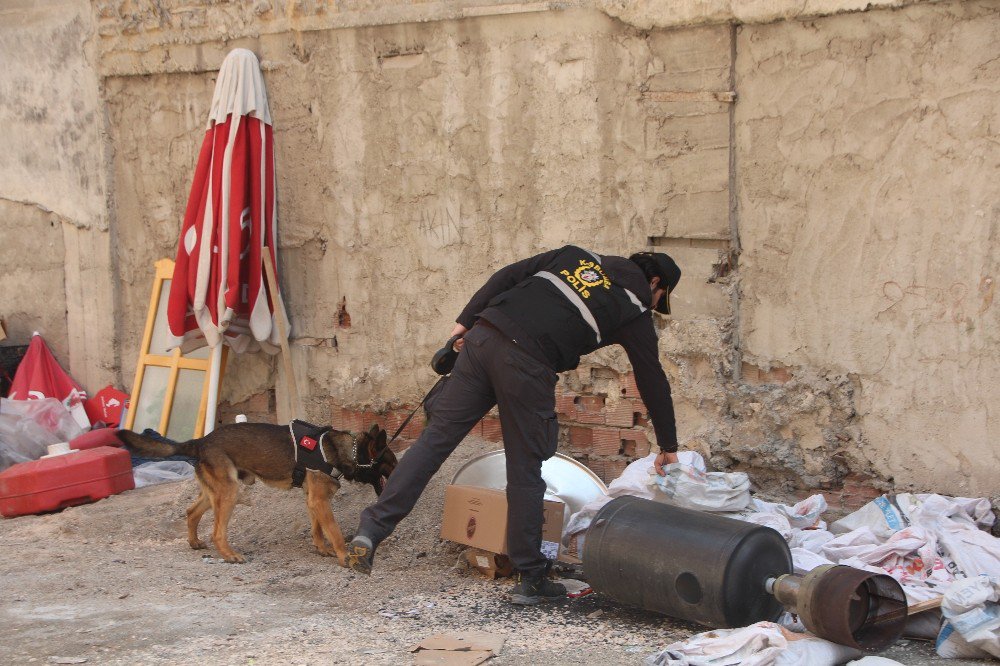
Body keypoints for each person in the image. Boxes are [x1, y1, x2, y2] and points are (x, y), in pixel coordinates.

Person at [347, 245, 682, 605]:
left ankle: (372, 529)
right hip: (527, 364)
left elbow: (506, 276)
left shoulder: (574, 256)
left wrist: (462, 326)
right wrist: (669, 446)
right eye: (659, 297)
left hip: (482, 338)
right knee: (525, 467)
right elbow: (652, 380)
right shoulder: (634, 311)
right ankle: (532, 577)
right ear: (655, 282)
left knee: (434, 442)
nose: (654, 304)